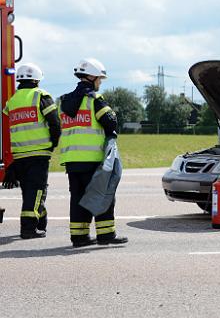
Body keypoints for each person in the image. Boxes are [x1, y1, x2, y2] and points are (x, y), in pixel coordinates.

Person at [59, 58, 127, 247]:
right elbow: (111, 122)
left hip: (72, 159)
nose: (100, 83)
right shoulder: (94, 100)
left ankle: (79, 237)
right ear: (90, 77)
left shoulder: (64, 102)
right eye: (99, 79)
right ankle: (106, 235)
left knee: (78, 198)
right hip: (93, 158)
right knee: (102, 195)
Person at [2, 63, 60, 239]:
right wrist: (53, 143)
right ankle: (28, 229)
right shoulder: (41, 96)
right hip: (39, 153)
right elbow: (55, 123)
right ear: (36, 79)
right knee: (37, 190)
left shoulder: (12, 101)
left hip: (19, 155)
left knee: (30, 191)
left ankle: (41, 221)